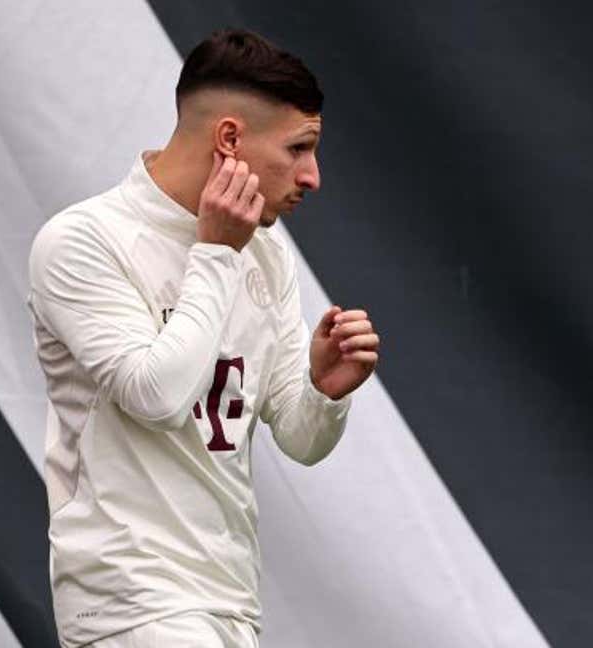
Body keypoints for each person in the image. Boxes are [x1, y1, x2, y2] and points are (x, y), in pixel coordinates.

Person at [26, 27, 380, 648]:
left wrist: (324, 392)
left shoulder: (265, 253)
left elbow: (297, 437)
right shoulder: (84, 240)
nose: (313, 176)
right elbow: (156, 398)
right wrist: (215, 255)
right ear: (229, 139)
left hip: (226, 598)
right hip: (131, 598)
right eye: (299, 148)